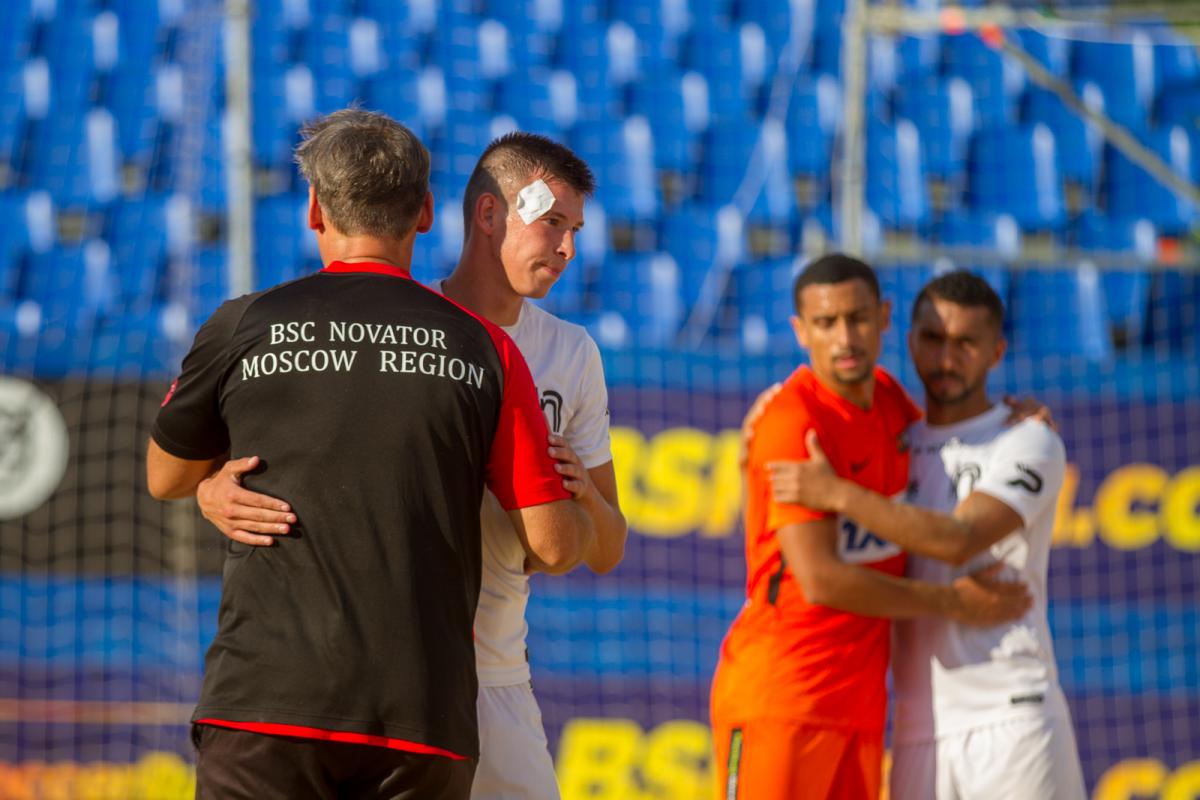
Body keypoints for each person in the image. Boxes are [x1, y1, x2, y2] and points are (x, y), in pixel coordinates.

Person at [146, 109, 594, 799]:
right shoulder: (486, 347)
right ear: (426, 213)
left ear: (314, 209)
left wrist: (209, 489)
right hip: (419, 718)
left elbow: (165, 475)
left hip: (264, 704)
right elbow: (555, 546)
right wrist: (583, 508)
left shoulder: (243, 323)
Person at [709, 254, 1032, 800]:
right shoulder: (793, 422)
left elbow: (951, 433)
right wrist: (952, 602)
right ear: (800, 330)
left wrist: (1013, 418)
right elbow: (822, 580)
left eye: (858, 318)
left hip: (859, 707)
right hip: (782, 698)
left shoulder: (888, 400)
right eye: (826, 323)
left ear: (884, 318)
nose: (845, 338)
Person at [766, 270, 1086, 799]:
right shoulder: (894, 437)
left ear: (997, 352)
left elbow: (959, 538)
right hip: (918, 729)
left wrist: (840, 494)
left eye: (966, 344)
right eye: (934, 340)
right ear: (910, 341)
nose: (946, 359)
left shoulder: (1028, 439)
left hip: (1013, 714)